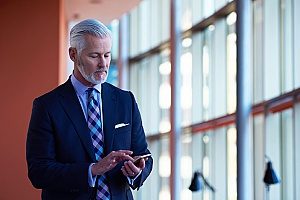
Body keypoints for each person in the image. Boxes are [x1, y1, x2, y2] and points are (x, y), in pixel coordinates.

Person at [26, 19, 153, 200]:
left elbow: (144, 154)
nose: (103, 64)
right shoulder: (47, 106)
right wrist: (92, 170)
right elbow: (38, 171)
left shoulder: (126, 101)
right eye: (94, 56)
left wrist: (137, 170)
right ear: (73, 54)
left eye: (107, 55)